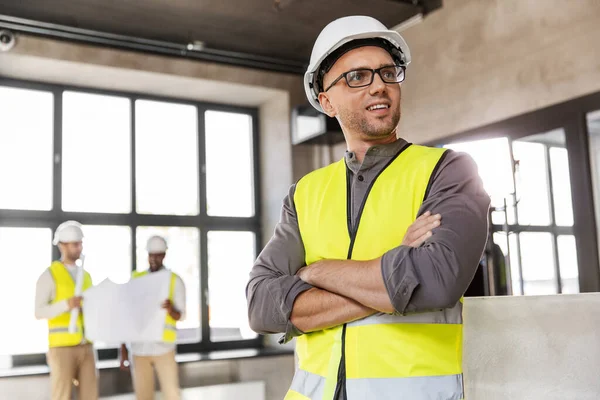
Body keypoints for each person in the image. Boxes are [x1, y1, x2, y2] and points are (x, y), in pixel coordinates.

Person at [246, 15, 491, 400]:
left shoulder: (447, 170)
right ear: (326, 101)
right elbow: (261, 305)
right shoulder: (304, 193)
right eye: (357, 77)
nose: (379, 85)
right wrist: (393, 276)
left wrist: (315, 272)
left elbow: (436, 280)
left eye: (387, 73)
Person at [35, 220, 98, 400]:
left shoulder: (86, 276)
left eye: (80, 244)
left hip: (86, 345)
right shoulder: (49, 275)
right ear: (62, 246)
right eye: (75, 244)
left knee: (90, 395)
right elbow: (39, 311)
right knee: (62, 396)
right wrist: (66, 305)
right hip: (61, 348)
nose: (79, 248)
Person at [120, 235, 186, 400]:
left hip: (163, 348)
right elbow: (125, 315)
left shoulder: (174, 280)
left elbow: (181, 315)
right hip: (139, 348)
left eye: (158, 255)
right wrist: (122, 351)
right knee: (143, 396)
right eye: (151, 255)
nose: (154, 259)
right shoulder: (136, 279)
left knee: (172, 394)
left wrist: (171, 309)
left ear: (164, 255)